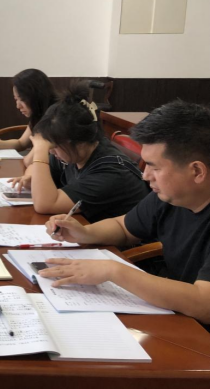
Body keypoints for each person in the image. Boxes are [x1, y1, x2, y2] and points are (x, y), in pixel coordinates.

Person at [40, 100, 210, 329]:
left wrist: (113, 271)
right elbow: (124, 227)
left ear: (197, 171)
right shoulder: (171, 195)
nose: (145, 176)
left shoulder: (173, 193)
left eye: (155, 167)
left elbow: (204, 303)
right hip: (178, 317)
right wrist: (84, 233)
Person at [10, 83, 149, 222]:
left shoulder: (109, 172)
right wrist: (31, 178)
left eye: (54, 146)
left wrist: (40, 149)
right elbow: (32, 167)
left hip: (120, 236)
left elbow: (45, 205)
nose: (51, 151)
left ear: (79, 142)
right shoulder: (75, 153)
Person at [0, 69, 57, 166]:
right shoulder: (39, 114)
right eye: (16, 99)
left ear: (36, 96)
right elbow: (21, 143)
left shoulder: (55, 116)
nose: (18, 106)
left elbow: (28, 161)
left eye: (22, 99)